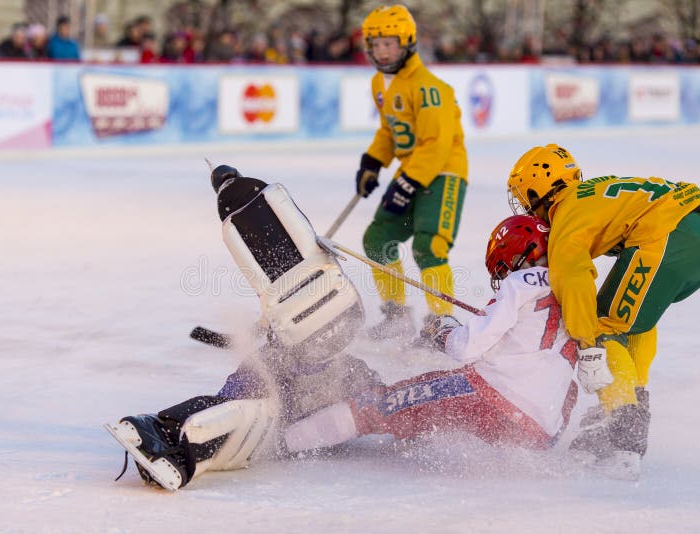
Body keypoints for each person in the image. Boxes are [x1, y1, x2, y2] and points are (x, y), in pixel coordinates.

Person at [105, 165, 379, 490]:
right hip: (290, 360)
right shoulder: (269, 202)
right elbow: (378, 400)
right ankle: (166, 436)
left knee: (238, 407)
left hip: (285, 359)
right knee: (244, 410)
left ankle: (161, 431)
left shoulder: (238, 223)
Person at [506, 144, 700, 479]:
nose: (525, 205)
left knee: (603, 324)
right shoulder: (591, 192)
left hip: (674, 233)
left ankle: (625, 432)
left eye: (525, 195)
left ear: (540, 186)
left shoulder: (566, 214)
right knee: (635, 319)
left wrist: (588, 344)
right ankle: (630, 402)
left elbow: (574, 279)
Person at [284, 214, 578, 455]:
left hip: (495, 398)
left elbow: (466, 347)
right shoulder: (575, 287)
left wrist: (443, 330)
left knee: (384, 402)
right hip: (540, 430)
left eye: (502, 268)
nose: (503, 277)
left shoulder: (521, 281)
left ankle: (285, 442)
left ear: (518, 255)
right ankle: (414, 427)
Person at [354, 5, 469, 341]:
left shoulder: (430, 88)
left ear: (407, 42)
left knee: (429, 246)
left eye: (389, 43)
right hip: (413, 172)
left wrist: (407, 182)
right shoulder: (380, 83)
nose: (382, 51)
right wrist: (372, 162)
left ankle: (441, 322)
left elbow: (437, 144)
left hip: (444, 173)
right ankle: (396, 313)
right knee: (377, 239)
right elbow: (390, 132)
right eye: (376, 45)